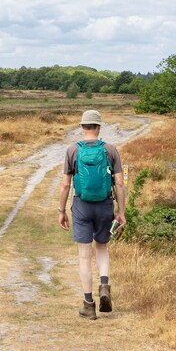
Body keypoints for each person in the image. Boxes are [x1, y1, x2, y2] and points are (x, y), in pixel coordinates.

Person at [58, 109, 127, 320]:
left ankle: (89, 304)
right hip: (105, 205)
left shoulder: (72, 150)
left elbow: (65, 185)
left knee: (84, 256)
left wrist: (62, 211)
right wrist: (121, 211)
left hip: (81, 206)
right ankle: (104, 285)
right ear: (98, 127)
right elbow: (119, 183)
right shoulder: (110, 150)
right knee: (102, 248)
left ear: (82, 127)